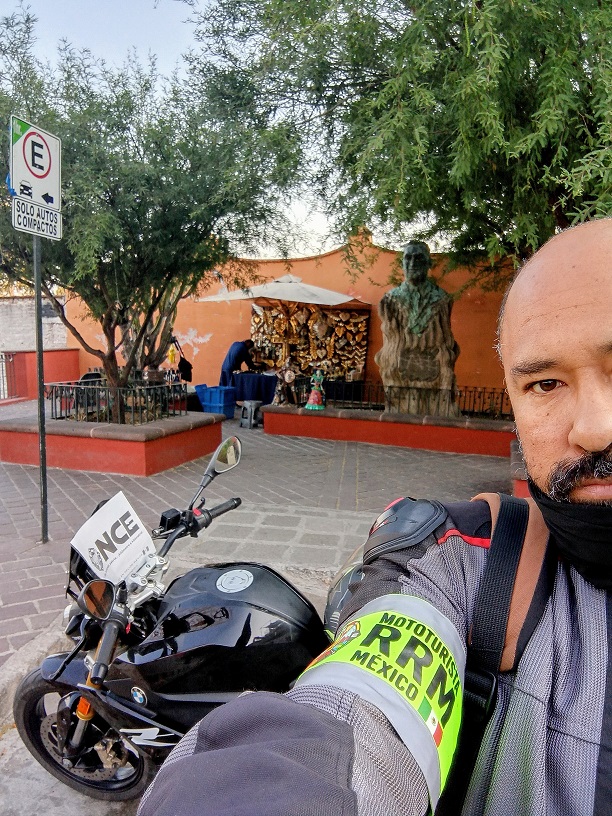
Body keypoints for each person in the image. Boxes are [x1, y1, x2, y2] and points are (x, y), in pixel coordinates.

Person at [138, 219, 612, 816]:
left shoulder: (438, 302)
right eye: (545, 383)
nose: (595, 427)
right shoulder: (462, 562)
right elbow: (358, 708)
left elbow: (440, 345)